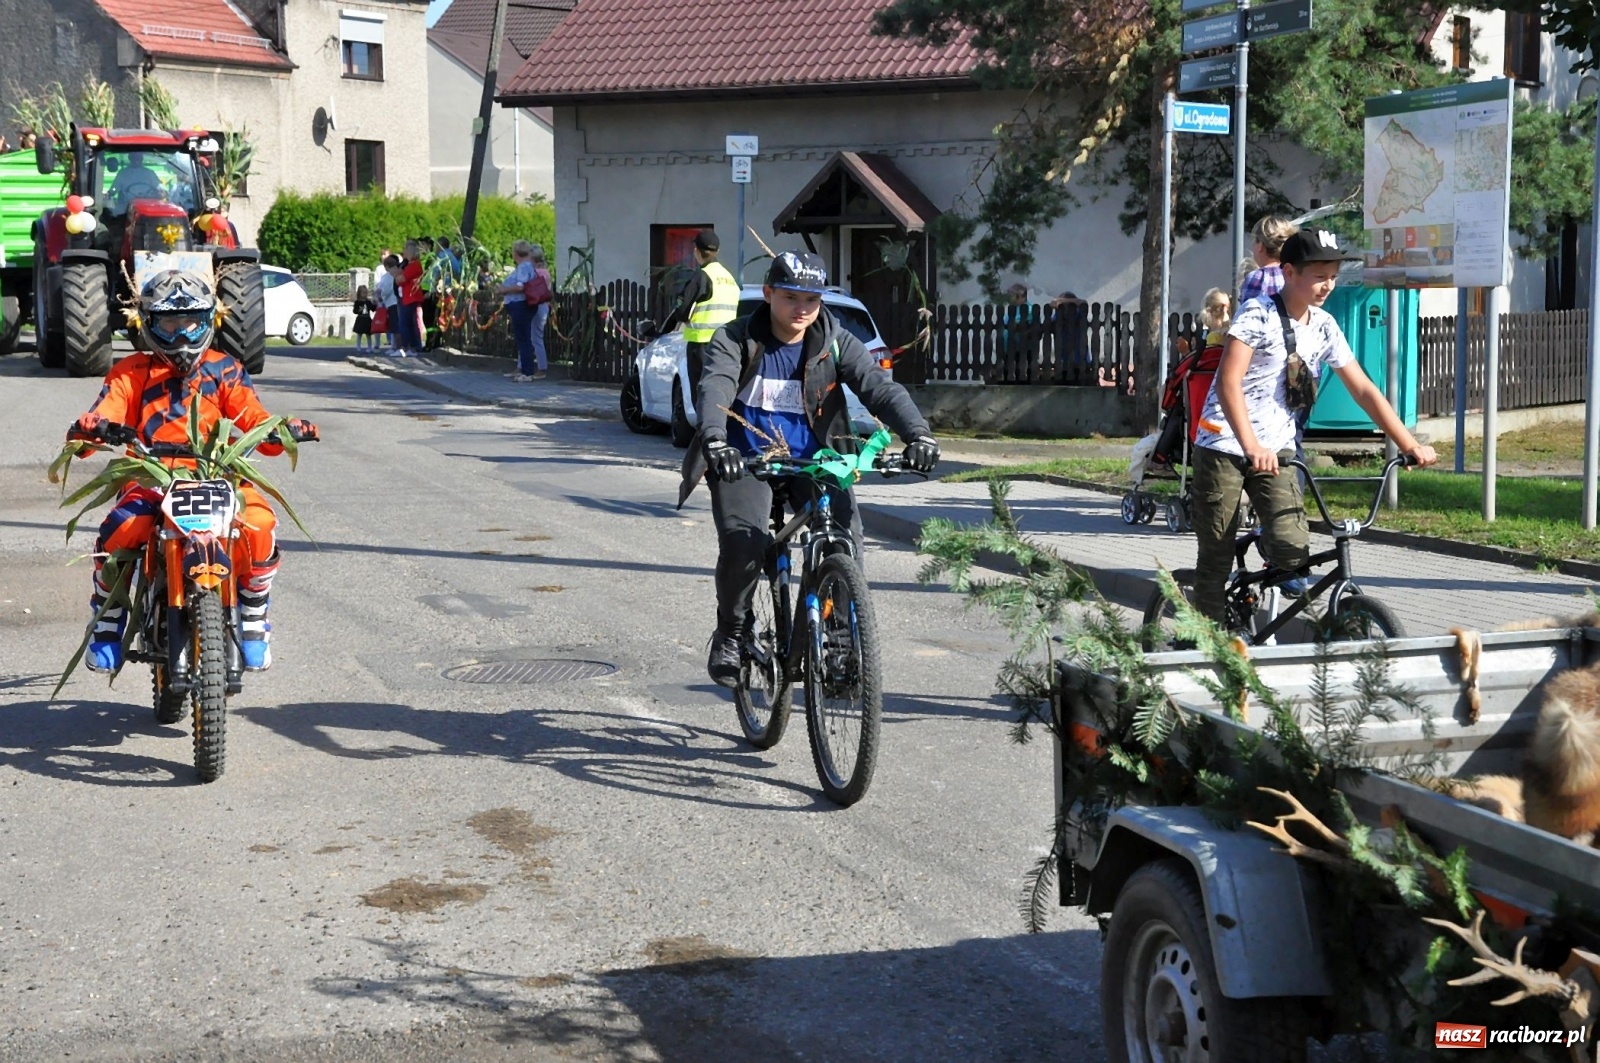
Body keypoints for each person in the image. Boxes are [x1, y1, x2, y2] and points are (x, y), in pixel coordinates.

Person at [683, 251, 942, 687]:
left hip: (816, 462)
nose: (802, 308)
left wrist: (919, 434)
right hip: (746, 461)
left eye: (811, 299)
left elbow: (880, 388)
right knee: (743, 544)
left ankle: (839, 638)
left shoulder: (834, 340)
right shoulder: (736, 338)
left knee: (844, 536)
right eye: (790, 297)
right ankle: (732, 628)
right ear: (768, 294)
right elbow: (716, 388)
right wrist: (715, 440)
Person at [68, 269, 318, 673]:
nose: (181, 335)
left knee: (259, 523)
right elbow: (102, 416)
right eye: (169, 323)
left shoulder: (226, 370)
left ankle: (253, 611)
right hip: (151, 477)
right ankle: (109, 612)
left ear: (209, 321)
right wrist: (90, 429)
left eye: (191, 323)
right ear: (149, 325)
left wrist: (284, 432)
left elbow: (256, 420)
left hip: (218, 475)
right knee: (120, 528)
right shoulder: (130, 373)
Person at [1188, 228, 1437, 624]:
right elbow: (1227, 382)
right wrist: (1251, 446)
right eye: (1319, 275)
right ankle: (1200, 641)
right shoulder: (1257, 314)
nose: (1328, 284)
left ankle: (1256, 559)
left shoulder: (1323, 326)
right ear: (1289, 272)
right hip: (1225, 443)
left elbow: (1363, 389)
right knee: (1216, 552)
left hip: (1278, 447)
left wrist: (1409, 444)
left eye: (1333, 275)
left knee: (1292, 550)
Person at [655, 229, 739, 393]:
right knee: (720, 393)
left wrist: (662, 330)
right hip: (727, 345)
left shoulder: (702, 276)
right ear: (717, 251)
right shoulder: (729, 278)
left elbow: (682, 311)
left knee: (701, 395)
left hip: (701, 346)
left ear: (696, 251)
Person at [498, 240, 549, 382]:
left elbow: (521, 286)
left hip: (520, 304)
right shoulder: (526, 266)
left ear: (516, 253)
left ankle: (527, 372)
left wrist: (504, 289)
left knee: (524, 339)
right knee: (523, 338)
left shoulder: (524, 267)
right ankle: (525, 370)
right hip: (521, 305)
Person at [1239, 215, 1296, 304]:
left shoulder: (1257, 277)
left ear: (1261, 246)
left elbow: (1247, 313)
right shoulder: (1294, 274)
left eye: (1254, 241)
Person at [398, 240, 426, 356]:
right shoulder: (411, 265)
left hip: (411, 297)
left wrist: (397, 277)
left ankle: (412, 346)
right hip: (408, 297)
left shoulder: (414, 265)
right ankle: (411, 346)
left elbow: (401, 279)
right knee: (409, 322)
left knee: (407, 323)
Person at [374, 254, 400, 352]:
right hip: (389, 303)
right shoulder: (388, 275)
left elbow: (387, 289)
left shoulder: (390, 276)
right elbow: (381, 285)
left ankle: (395, 346)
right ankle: (393, 346)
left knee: (394, 325)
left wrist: (381, 295)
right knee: (391, 326)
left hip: (392, 302)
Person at [352, 284, 375, 351]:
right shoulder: (357, 302)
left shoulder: (368, 302)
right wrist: (359, 310)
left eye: (366, 293)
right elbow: (354, 311)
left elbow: (373, 309)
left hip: (367, 319)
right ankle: (358, 346)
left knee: (368, 334)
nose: (365, 294)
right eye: (363, 293)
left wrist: (375, 304)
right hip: (360, 319)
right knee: (359, 334)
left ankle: (369, 347)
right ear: (359, 293)